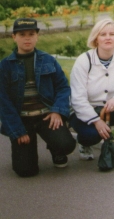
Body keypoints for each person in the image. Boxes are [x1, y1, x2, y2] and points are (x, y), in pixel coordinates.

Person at [0, 18, 76, 177]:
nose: (27, 38)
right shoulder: (5, 66)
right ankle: (28, 148)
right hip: (22, 120)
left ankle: (56, 150)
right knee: (25, 171)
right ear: (14, 37)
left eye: (31, 34)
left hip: (45, 116)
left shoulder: (48, 60)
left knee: (67, 144)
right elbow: (3, 102)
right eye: (22, 34)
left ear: (37, 36)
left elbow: (63, 87)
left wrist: (57, 111)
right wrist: (18, 131)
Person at [69, 18, 114, 165]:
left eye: (112, 34)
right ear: (96, 38)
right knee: (92, 135)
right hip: (84, 111)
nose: (108, 37)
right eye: (103, 34)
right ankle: (84, 144)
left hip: (111, 108)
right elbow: (77, 99)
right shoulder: (84, 61)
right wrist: (96, 121)